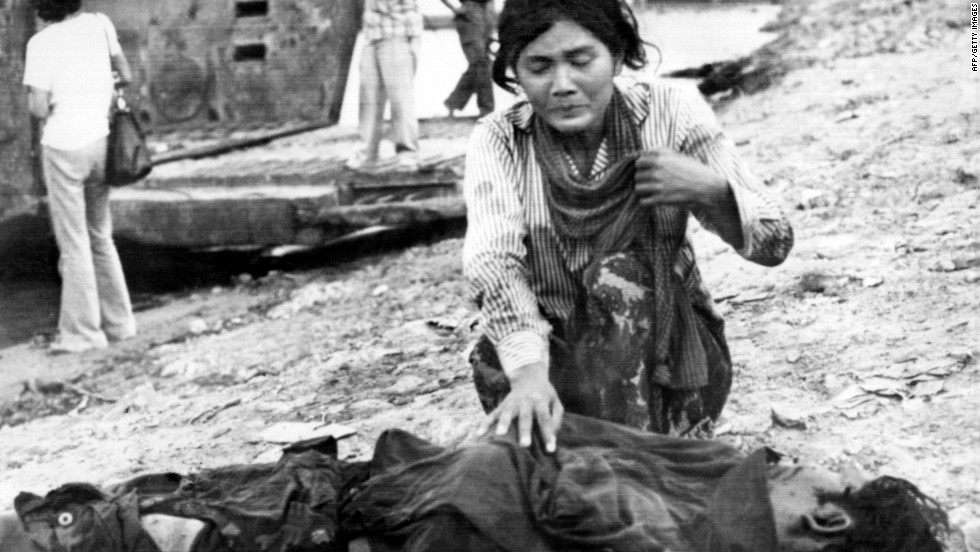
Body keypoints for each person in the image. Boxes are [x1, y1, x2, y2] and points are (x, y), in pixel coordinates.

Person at [462, 0, 794, 449]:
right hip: (549, 364)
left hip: (668, 361)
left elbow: (774, 243)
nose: (562, 85)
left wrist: (711, 191)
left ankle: (645, 446)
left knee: (619, 277)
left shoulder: (671, 110)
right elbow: (494, 261)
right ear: (515, 72)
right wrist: (527, 375)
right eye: (538, 66)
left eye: (581, 61)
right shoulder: (499, 137)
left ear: (616, 56)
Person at [0, 414, 949, 552]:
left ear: (825, 522)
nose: (796, 456)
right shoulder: (715, 502)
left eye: (831, 472)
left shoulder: (683, 530)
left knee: (121, 527)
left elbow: (552, 474)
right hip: (377, 502)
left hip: (345, 527)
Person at [22, 0, 137, 355]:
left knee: (73, 245)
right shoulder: (100, 24)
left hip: (64, 148)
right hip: (102, 143)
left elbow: (39, 108)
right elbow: (126, 76)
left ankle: (83, 334)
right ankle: (120, 325)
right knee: (100, 236)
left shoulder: (40, 43)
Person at [346, 0, 424, 172]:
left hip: (398, 34)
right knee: (369, 99)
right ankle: (365, 154)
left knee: (400, 101)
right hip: (373, 35)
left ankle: (408, 155)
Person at [440, 0, 495, 117]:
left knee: (480, 64)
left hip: (484, 16)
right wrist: (456, 8)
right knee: (481, 63)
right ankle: (486, 109)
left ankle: (454, 103)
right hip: (470, 19)